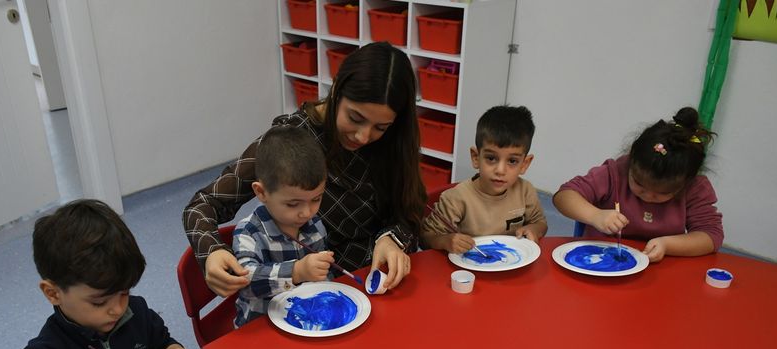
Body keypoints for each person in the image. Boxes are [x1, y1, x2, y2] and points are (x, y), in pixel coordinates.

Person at [183, 41, 425, 298]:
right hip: (302, 294)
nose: (363, 136)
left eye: (381, 127)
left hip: (371, 286)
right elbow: (202, 205)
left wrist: (392, 238)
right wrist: (212, 251)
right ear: (337, 90)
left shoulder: (393, 144)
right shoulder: (291, 140)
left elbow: (410, 212)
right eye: (355, 118)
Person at [553, 106, 728, 349]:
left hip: (662, 284)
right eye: (639, 185)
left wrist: (669, 244)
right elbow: (564, 196)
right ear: (631, 162)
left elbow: (711, 236)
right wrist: (595, 214)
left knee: (703, 333)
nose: (647, 196)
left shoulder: (696, 187)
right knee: (597, 337)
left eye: (662, 194)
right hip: (603, 281)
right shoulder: (615, 171)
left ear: (686, 184)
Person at [14, 199, 200, 349]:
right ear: (53, 293)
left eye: (124, 292)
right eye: (99, 302)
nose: (117, 309)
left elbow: (160, 345)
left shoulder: (136, 311)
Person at [232, 126, 332, 328]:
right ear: (261, 192)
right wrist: (296, 271)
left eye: (316, 199)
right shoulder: (249, 232)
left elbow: (322, 277)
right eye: (293, 204)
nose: (307, 212)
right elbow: (246, 281)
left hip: (306, 323)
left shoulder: (314, 225)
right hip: (260, 330)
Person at [421, 105, 547, 252]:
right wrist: (444, 241)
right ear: (476, 157)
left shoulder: (525, 191)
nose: (500, 170)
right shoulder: (456, 198)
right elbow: (426, 237)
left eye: (512, 161)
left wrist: (534, 229)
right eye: (491, 158)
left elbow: (540, 223)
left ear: (524, 164)